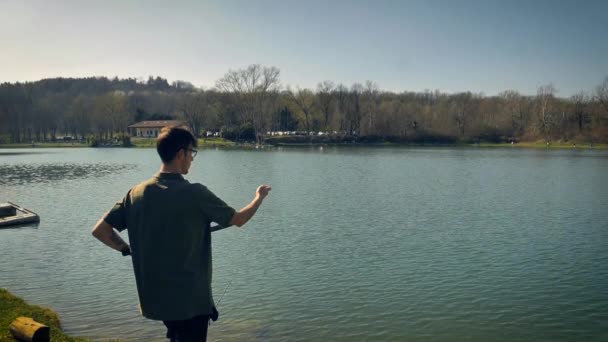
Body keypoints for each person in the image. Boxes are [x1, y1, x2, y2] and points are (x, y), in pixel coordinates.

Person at [91, 126, 271, 341]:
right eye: (191, 154)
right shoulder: (195, 193)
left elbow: (100, 230)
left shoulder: (136, 193)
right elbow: (239, 219)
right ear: (180, 154)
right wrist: (259, 197)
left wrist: (127, 249)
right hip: (191, 302)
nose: (192, 160)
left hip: (157, 301)